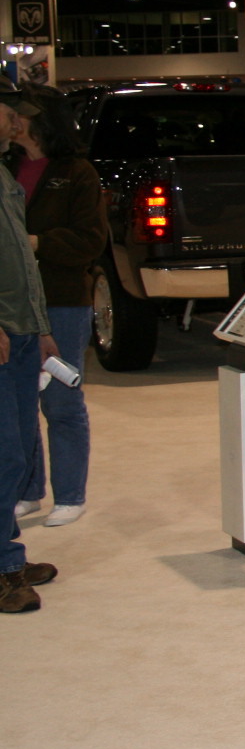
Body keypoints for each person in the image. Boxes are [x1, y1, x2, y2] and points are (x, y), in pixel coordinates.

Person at [8, 90, 107, 527]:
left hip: (63, 300)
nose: (13, 121)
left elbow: (91, 240)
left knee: (62, 399)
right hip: (13, 302)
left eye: (20, 114)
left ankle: (70, 493)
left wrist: (38, 244)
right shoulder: (9, 167)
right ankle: (29, 489)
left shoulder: (77, 172)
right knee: (17, 402)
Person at [0, 93, 60, 613]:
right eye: (8, 111)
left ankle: (8, 555)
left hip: (19, 333)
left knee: (17, 450)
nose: (18, 121)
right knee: (5, 454)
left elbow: (20, 259)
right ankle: (3, 568)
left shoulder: (4, 174)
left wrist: (38, 327)